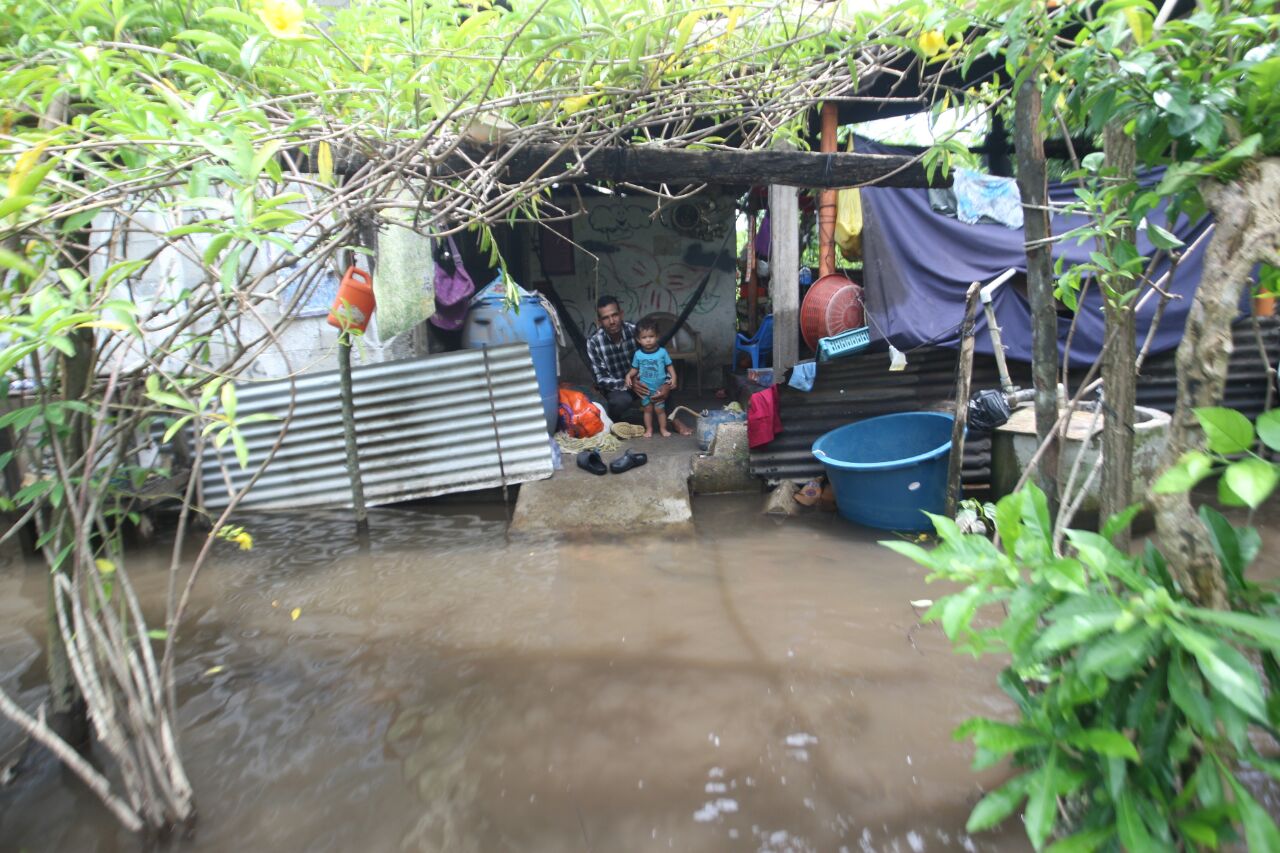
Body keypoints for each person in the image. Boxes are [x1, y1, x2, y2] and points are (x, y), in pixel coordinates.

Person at [586, 295, 692, 434]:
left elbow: (658, 359)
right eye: (606, 318)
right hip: (618, 388)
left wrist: (666, 383)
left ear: (621, 314)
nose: (612, 321)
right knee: (619, 401)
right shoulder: (594, 342)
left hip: (645, 381)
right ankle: (616, 422)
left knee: (663, 384)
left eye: (615, 315)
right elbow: (601, 379)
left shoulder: (636, 332)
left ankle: (675, 420)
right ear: (599, 321)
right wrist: (629, 384)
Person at [626, 318, 677, 438]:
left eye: (651, 336)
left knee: (660, 410)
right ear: (638, 340)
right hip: (645, 390)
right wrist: (628, 375)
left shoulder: (662, 352)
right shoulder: (638, 354)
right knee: (648, 410)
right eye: (644, 337)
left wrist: (674, 378)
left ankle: (663, 429)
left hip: (659, 388)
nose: (648, 340)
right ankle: (648, 429)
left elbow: (669, 366)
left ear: (657, 336)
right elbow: (634, 369)